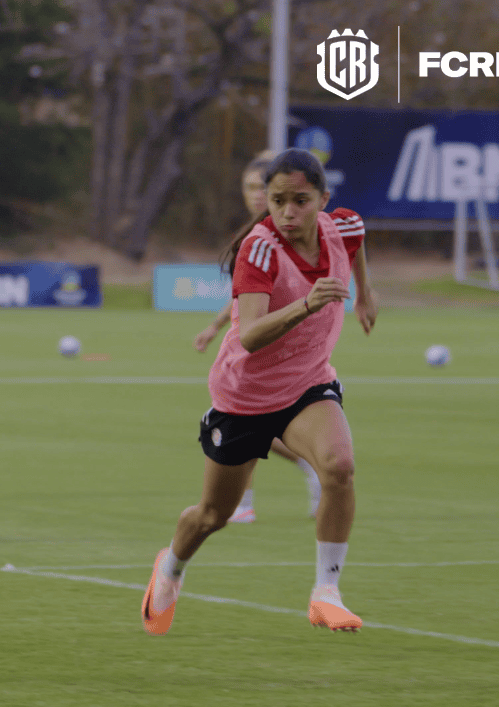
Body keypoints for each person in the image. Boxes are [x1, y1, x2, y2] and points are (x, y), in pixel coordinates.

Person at [142, 148, 377, 636]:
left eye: (300, 201)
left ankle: (326, 593)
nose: (288, 212)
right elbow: (250, 335)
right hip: (245, 397)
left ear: (323, 200)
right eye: (277, 201)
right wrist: (308, 304)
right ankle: (171, 567)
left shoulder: (343, 226)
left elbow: (354, 243)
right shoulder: (260, 250)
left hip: (307, 383)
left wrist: (365, 296)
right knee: (213, 515)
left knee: (339, 466)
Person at [193, 151, 322, 523]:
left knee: (244, 419)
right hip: (253, 338)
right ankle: (245, 501)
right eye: (247, 187)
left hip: (272, 342)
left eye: (258, 187)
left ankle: (305, 466)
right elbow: (244, 297)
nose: (253, 194)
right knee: (244, 419)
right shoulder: (256, 232)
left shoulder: (279, 233)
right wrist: (215, 327)